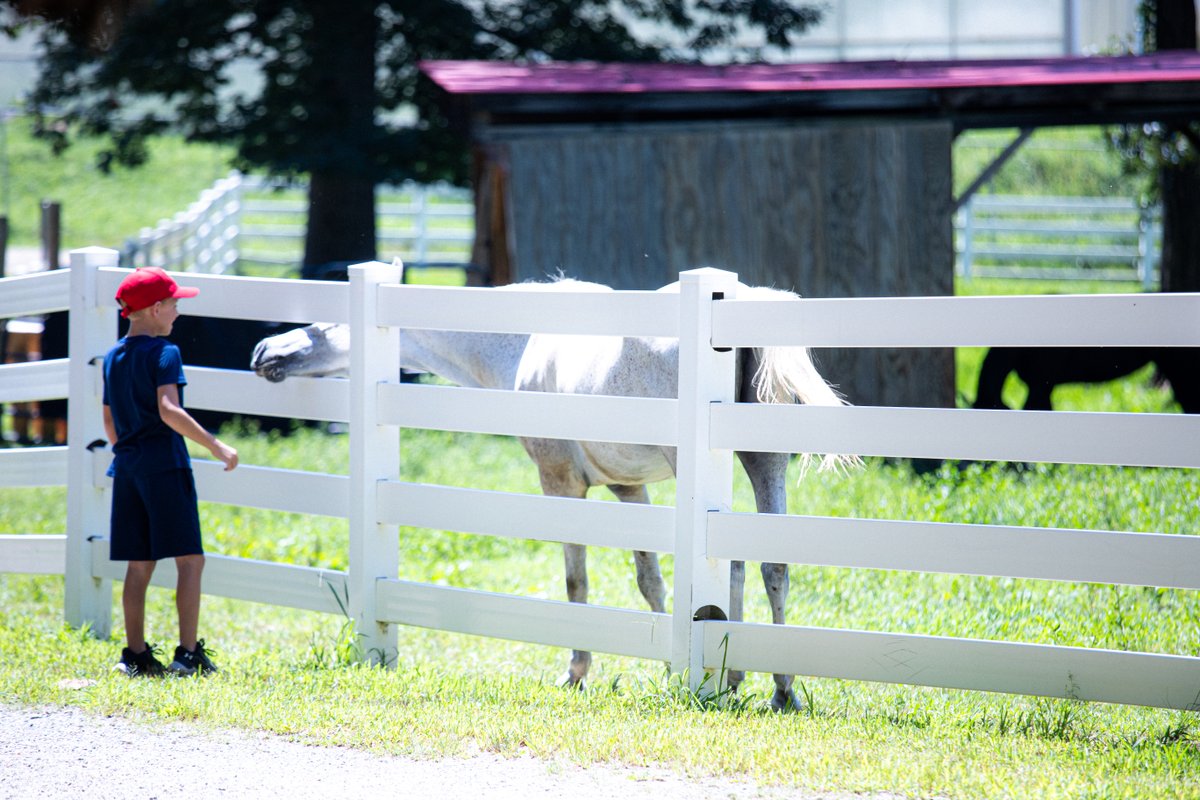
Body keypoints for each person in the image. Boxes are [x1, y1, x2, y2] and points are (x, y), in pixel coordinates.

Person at [102, 267, 238, 677]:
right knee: (190, 561)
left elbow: (109, 418)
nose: (178, 312)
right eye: (175, 305)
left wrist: (127, 451)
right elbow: (168, 409)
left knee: (139, 564)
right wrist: (215, 444)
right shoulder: (165, 353)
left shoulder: (113, 356)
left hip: (128, 468)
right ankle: (188, 654)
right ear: (156, 308)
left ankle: (136, 655)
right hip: (165, 466)